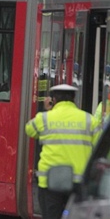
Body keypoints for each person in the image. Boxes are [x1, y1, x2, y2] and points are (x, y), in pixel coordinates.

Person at [26, 84, 100, 219]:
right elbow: (100, 146)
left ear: (53, 100)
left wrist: (48, 110)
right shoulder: (89, 119)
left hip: (50, 182)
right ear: (74, 98)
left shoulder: (44, 118)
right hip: (78, 182)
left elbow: (29, 130)